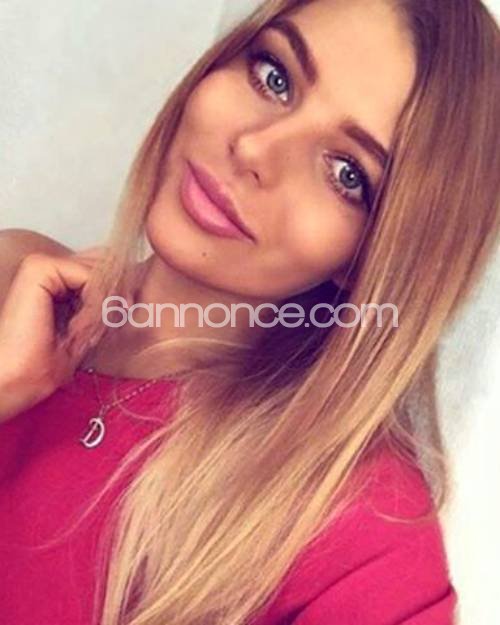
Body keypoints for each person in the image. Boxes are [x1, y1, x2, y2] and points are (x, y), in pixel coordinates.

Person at [0, 0, 499, 623]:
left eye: (348, 173)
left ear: (373, 258)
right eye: (274, 75)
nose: (256, 147)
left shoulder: (359, 534)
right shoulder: (12, 278)